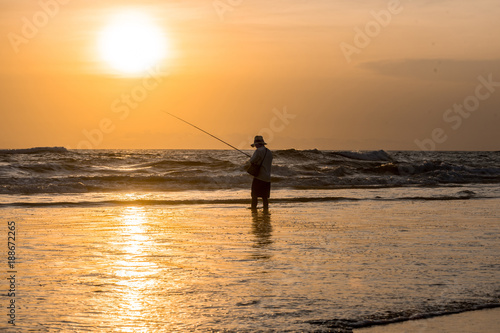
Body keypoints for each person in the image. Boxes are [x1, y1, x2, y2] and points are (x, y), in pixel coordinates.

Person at [249, 135, 273, 210]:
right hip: (267, 177)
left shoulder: (258, 151)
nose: (255, 146)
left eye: (255, 144)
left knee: (254, 195)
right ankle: (265, 209)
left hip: (259, 177)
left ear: (257, 144)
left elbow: (252, 161)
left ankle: (253, 208)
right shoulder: (269, 152)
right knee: (265, 196)